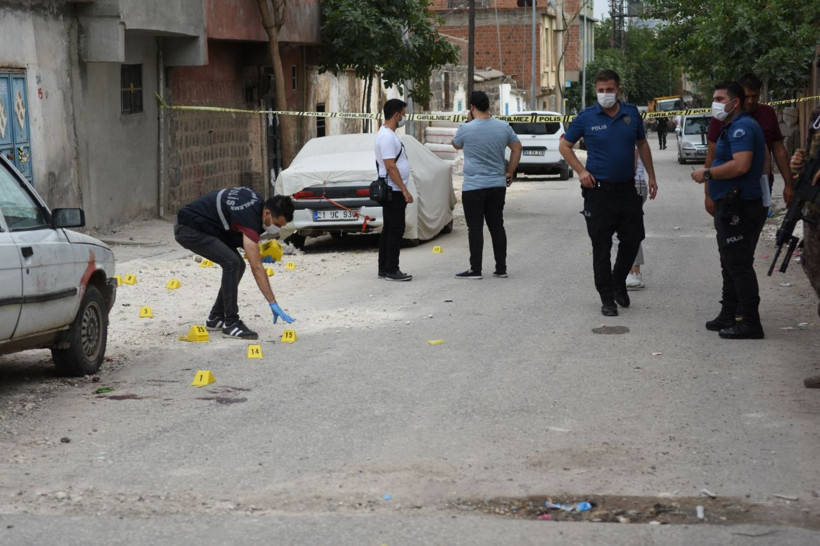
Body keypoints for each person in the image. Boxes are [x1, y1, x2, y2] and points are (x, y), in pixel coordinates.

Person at [559, 69, 658, 317]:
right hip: (598, 192)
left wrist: (652, 175)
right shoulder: (586, 117)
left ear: (619, 90)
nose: (605, 95)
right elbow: (565, 145)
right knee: (601, 246)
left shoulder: (631, 113)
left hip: (627, 189)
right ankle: (607, 298)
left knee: (633, 239)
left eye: (610, 90)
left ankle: (618, 281)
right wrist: (581, 171)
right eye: (601, 90)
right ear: (596, 91)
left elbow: (642, 144)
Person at [691, 82, 766, 339]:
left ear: (735, 102)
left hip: (741, 204)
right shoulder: (730, 126)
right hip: (730, 203)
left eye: (720, 98)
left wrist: (708, 173)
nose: (716, 103)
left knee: (739, 264)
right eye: (714, 98)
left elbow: (741, 165)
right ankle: (728, 313)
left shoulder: (742, 127)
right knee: (729, 262)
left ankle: (751, 322)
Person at [174, 189, 296, 339]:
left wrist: (259, 252)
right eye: (277, 224)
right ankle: (231, 323)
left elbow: (246, 243)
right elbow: (256, 267)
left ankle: (216, 317)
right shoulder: (249, 217)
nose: (277, 229)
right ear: (267, 214)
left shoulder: (256, 203)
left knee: (238, 264)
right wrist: (272, 302)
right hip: (189, 229)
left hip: (206, 227)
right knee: (232, 263)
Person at [451, 90, 523, 279]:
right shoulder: (503, 127)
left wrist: (468, 121)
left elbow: (456, 145)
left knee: (475, 228)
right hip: (496, 185)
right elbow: (517, 147)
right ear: (489, 106)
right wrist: (510, 171)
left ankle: (475, 269)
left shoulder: (466, 128)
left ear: (472, 107)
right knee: (497, 226)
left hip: (473, 186)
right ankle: (501, 268)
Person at [704, 72, 793, 216]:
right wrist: (708, 194)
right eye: (747, 96)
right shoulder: (721, 118)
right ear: (738, 97)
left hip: (760, 185)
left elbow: (779, 150)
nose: (751, 101)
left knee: (753, 230)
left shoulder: (767, 113)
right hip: (728, 187)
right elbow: (711, 156)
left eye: (755, 96)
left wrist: (788, 184)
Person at [376, 98, 414, 281]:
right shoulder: (386, 137)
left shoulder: (388, 134)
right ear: (396, 115)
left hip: (393, 190)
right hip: (394, 191)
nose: (404, 118)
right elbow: (390, 166)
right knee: (396, 230)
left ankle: (384, 267)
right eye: (403, 114)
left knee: (389, 228)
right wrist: (404, 190)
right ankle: (392, 269)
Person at [625, 150, 648, 289]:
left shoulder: (625, 129)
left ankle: (630, 273)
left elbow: (632, 154)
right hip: (638, 182)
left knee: (621, 231)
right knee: (631, 229)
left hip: (631, 183)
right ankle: (635, 272)